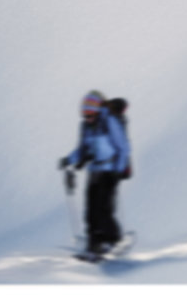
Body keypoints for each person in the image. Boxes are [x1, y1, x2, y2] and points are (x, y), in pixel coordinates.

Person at [59, 90, 131, 255]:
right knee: (91, 211)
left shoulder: (109, 122)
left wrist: (118, 171)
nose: (87, 118)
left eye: (90, 115)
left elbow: (123, 148)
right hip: (94, 171)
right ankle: (94, 244)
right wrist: (68, 160)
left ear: (98, 111)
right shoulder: (86, 127)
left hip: (110, 171)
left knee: (104, 210)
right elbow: (83, 149)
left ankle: (113, 240)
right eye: (84, 115)